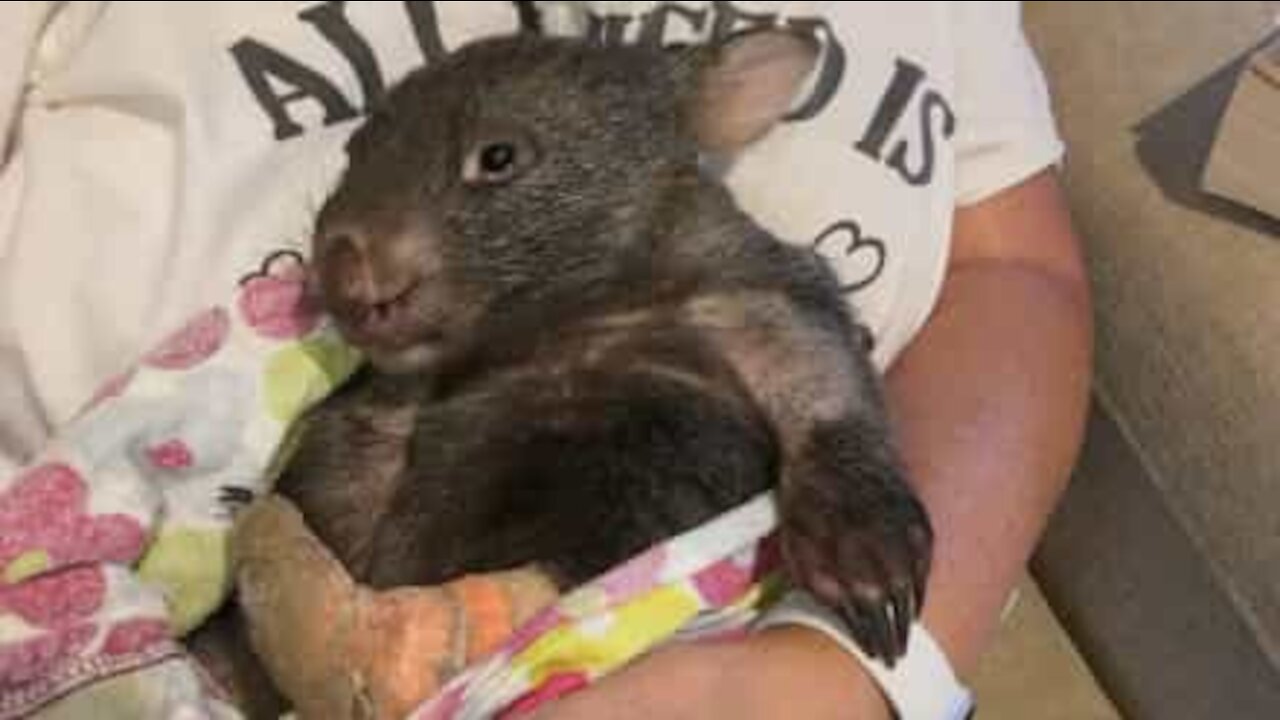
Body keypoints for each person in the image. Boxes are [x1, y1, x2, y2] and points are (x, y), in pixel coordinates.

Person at [0, 2, 1090, 718]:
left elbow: (1013, 276)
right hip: (129, 597)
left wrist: (841, 675)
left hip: (701, 644)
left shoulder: (710, 251)